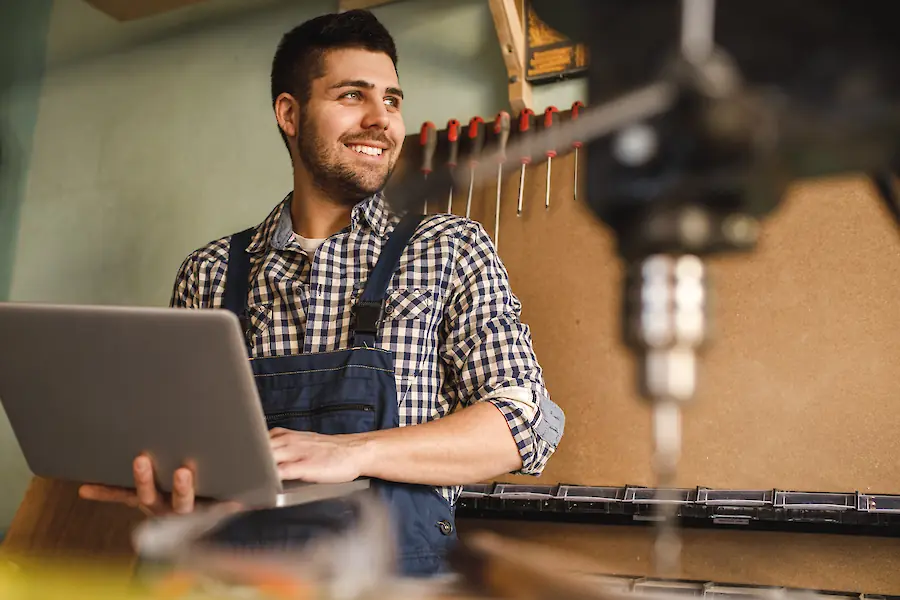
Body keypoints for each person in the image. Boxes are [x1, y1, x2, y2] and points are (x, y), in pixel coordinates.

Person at [79, 9, 564, 576]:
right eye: (353, 95)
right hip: (232, 582)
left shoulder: (448, 248)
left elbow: (523, 421)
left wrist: (352, 452)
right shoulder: (208, 273)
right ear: (290, 113)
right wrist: (174, 489)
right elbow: (181, 445)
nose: (380, 120)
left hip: (391, 584)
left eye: (393, 100)